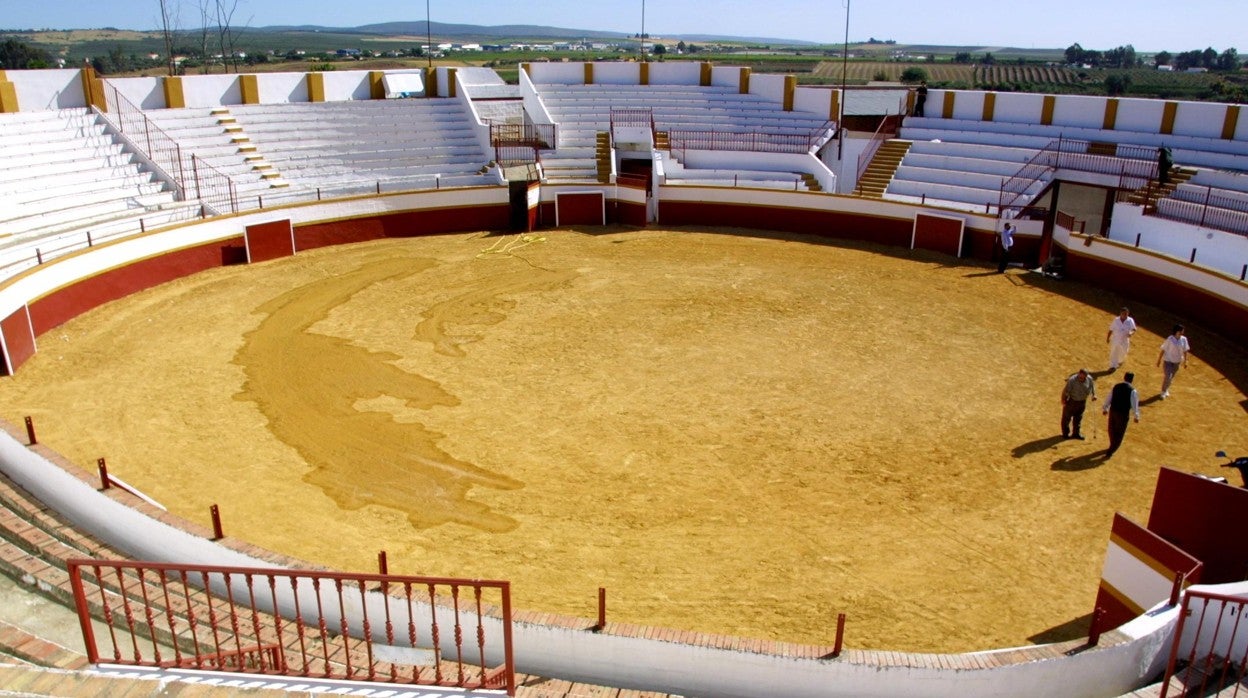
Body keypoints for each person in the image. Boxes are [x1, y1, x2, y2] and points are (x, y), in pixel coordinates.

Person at [1102, 372, 1140, 457]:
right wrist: (1136, 416)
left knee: (1111, 429)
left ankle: (1112, 445)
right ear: (1132, 380)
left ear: (1124, 377)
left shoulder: (1116, 386)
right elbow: (1134, 404)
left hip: (1113, 411)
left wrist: (1105, 408)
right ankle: (1111, 449)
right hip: (1122, 414)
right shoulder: (1132, 390)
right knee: (1119, 432)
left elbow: (1109, 397)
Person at [1060, 368, 1097, 439]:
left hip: (1082, 402)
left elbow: (1092, 387)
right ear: (1078, 374)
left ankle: (1076, 433)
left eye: (1083, 378)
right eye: (1080, 377)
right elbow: (1065, 391)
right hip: (1072, 402)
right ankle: (1065, 434)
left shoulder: (1089, 379)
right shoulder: (1072, 380)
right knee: (1066, 418)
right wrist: (1063, 400)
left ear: (1086, 376)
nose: (1080, 378)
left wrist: (1094, 395)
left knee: (1078, 418)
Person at [1156, 324, 1191, 399]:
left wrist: (1186, 361)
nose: (1183, 331)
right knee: (1168, 376)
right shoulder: (1170, 339)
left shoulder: (1184, 339)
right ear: (1178, 331)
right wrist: (1159, 360)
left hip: (1177, 362)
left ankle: (1166, 389)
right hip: (1168, 361)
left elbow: (1185, 351)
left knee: (1171, 378)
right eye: (1182, 330)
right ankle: (1163, 391)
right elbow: (1163, 349)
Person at [1106, 307, 1137, 371]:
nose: (1124, 315)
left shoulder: (1130, 320)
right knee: (1113, 352)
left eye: (1126, 314)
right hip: (1115, 339)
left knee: (1123, 353)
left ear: (1128, 314)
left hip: (1124, 341)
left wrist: (1131, 333)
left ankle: (1119, 361)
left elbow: (1134, 329)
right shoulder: (1116, 320)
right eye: (1123, 313)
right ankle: (1113, 366)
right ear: (1120, 313)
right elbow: (1111, 329)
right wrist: (1108, 338)